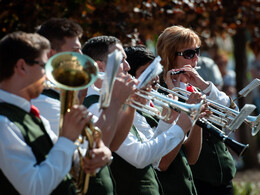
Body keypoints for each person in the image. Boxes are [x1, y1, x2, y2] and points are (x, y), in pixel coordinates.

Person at [0, 31, 94, 195]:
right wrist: (66, 138)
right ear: (22, 66)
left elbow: (58, 160)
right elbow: (34, 188)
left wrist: (95, 158)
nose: (48, 75)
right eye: (44, 66)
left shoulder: (30, 115)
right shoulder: (3, 123)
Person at [156, 25, 237, 195]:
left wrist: (205, 86)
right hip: (196, 180)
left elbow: (233, 113)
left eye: (197, 51)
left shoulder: (199, 85)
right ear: (170, 56)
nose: (195, 59)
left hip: (223, 176)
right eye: (189, 54)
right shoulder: (162, 93)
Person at [125, 45, 206, 195]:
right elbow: (161, 163)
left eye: (154, 72)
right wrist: (182, 121)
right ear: (133, 78)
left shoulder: (160, 102)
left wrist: (197, 120)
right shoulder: (133, 113)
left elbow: (191, 157)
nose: (154, 79)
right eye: (145, 73)